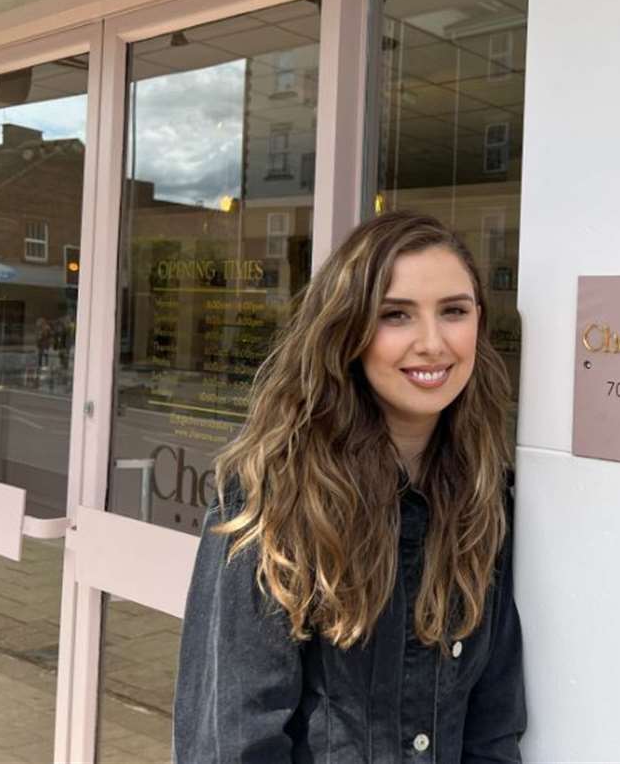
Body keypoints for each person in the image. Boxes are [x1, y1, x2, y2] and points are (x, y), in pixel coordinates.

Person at [173, 211, 526, 763]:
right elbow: (232, 743)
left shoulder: (486, 498)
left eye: (453, 311)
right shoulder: (278, 495)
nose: (432, 343)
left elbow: (493, 730)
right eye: (396, 315)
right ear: (349, 330)